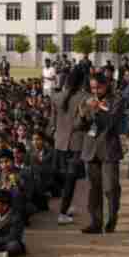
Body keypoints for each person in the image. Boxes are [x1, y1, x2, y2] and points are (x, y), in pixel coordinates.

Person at [77, 73, 123, 234]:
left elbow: (112, 124)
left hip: (109, 149)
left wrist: (98, 109)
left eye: (98, 87)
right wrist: (83, 115)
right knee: (93, 188)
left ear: (106, 85)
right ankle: (96, 223)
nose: (95, 90)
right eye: (93, 87)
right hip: (90, 149)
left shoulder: (116, 100)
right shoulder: (87, 100)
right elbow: (80, 127)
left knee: (111, 188)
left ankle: (111, 221)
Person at [52, 66, 86, 224]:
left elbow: (52, 122)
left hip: (60, 142)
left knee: (66, 179)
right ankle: (63, 212)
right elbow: (82, 124)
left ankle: (67, 207)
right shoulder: (84, 98)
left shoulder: (56, 97)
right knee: (71, 180)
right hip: (76, 143)